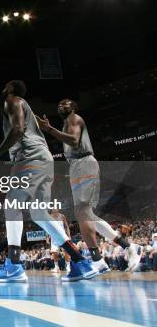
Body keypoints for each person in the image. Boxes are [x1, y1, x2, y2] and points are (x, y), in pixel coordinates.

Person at [0, 80, 98, 283]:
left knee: (12, 205)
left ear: (10, 89)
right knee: (39, 213)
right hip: (45, 158)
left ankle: (14, 266)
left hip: (29, 157)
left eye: (5, 85)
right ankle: (80, 261)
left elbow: (17, 130)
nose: (2, 88)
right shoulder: (25, 105)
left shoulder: (12, 101)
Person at [36, 99, 140, 272]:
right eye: (59, 104)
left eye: (66, 103)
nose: (61, 105)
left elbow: (75, 141)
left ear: (74, 107)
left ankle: (98, 259)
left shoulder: (74, 118)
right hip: (76, 166)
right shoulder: (66, 123)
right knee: (87, 214)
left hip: (84, 162)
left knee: (82, 211)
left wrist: (49, 129)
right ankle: (128, 247)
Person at [47, 208, 70, 273]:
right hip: (53, 236)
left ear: (58, 210)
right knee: (54, 252)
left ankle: (68, 266)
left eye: (56, 209)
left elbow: (66, 226)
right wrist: (47, 237)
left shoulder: (62, 216)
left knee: (66, 250)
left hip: (62, 235)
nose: (54, 211)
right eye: (53, 210)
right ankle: (56, 267)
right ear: (51, 211)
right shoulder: (50, 217)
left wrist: (69, 235)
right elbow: (48, 227)